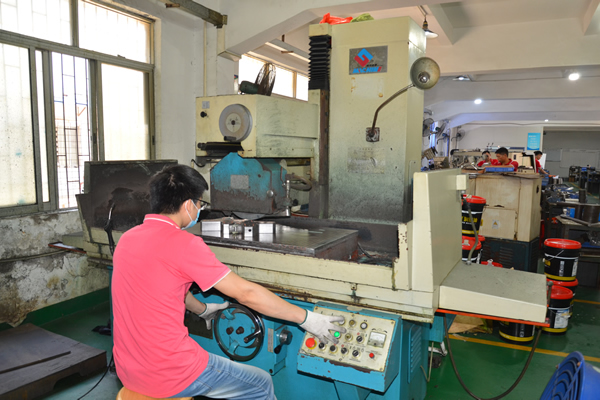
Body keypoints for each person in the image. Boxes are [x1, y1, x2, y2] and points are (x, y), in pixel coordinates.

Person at [111, 164, 345, 399]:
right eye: (200, 204)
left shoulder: (127, 239)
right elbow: (246, 294)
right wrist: (306, 318)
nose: (199, 209)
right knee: (261, 384)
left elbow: (170, 289)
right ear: (188, 205)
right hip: (170, 374)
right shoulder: (185, 245)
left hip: (128, 370)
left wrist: (203, 310)